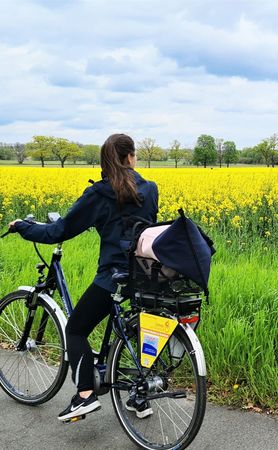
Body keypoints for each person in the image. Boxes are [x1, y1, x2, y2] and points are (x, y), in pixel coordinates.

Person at [9, 133, 159, 421]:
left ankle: (85, 396)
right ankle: (139, 396)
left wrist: (24, 227)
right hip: (145, 275)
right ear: (131, 157)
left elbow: (58, 231)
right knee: (133, 329)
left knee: (75, 330)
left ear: (106, 161)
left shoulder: (101, 194)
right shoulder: (150, 189)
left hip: (113, 277)